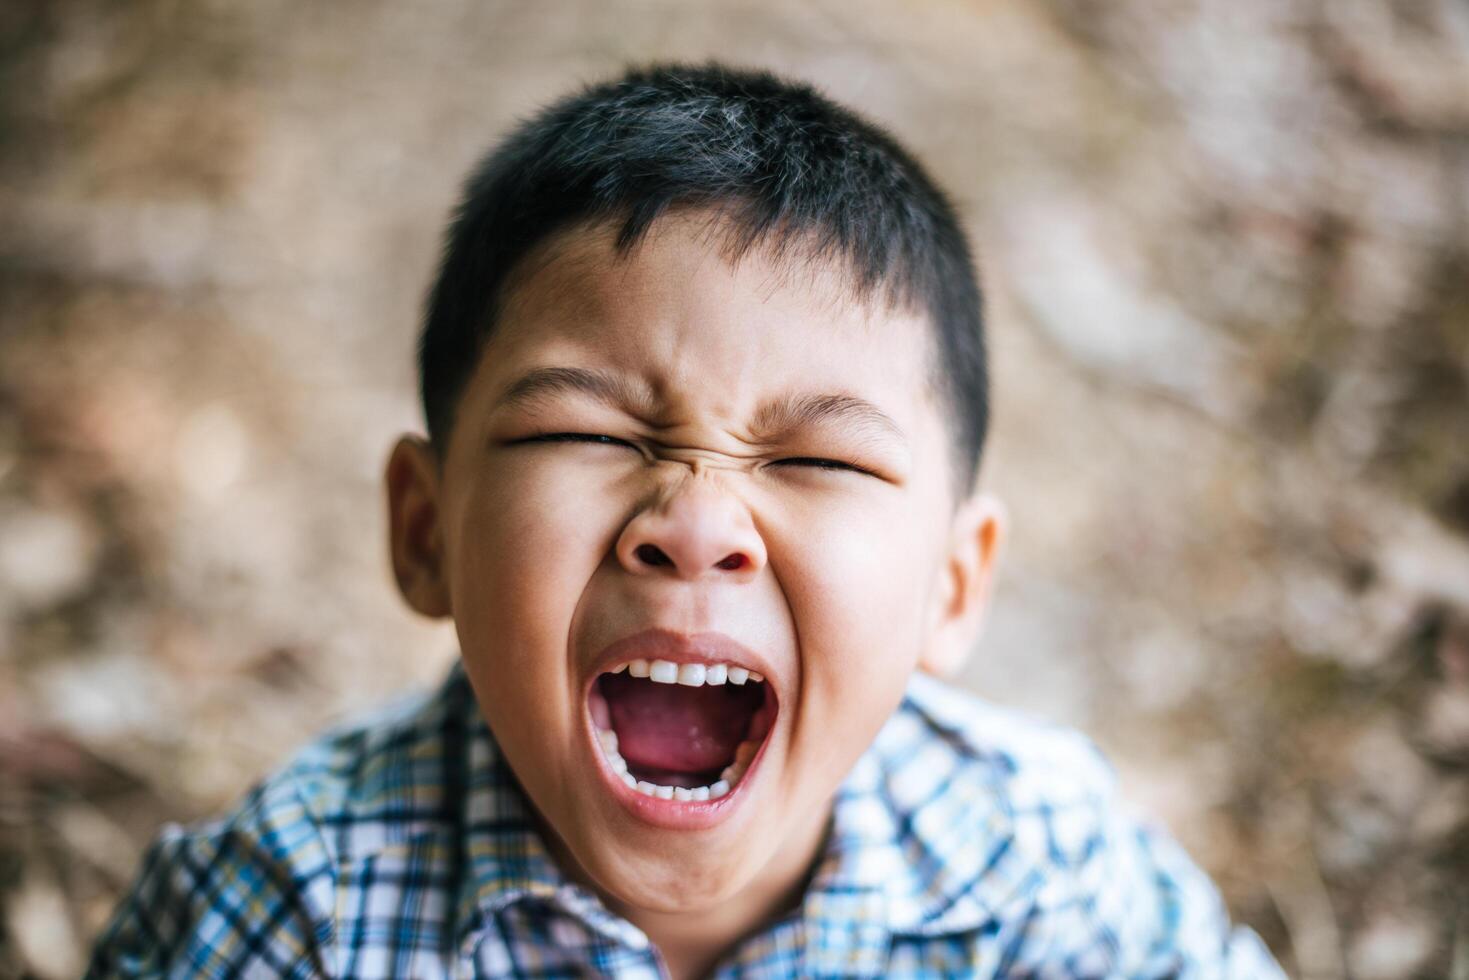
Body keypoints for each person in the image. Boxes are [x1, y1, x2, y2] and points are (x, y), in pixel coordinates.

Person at [86, 61, 1285, 978]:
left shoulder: (1037, 868)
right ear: (424, 528)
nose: (697, 520)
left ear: (952, 585)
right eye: (586, 433)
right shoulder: (295, 911)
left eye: (817, 456)